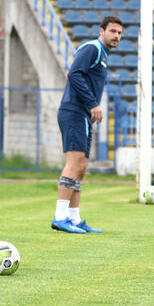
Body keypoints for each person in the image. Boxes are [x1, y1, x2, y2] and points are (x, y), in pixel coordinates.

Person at [51, 15, 123, 234]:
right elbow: (74, 74)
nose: (116, 36)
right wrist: (92, 103)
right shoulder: (92, 48)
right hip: (74, 111)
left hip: (82, 115)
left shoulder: (103, 54)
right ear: (101, 31)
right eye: (112, 31)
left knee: (81, 167)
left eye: (119, 33)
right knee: (74, 164)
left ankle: (74, 218)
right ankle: (60, 217)